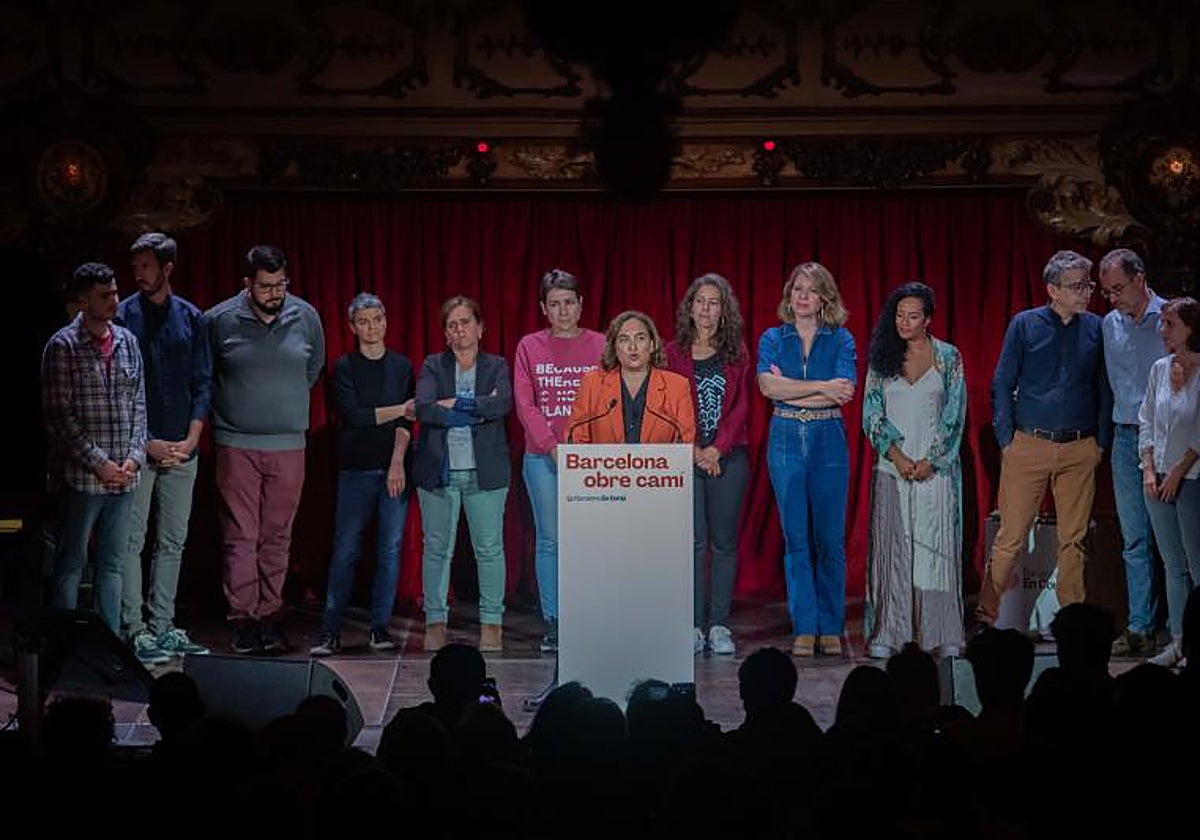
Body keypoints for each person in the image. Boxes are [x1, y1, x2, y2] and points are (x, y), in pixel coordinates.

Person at [979, 250, 1112, 628]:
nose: (1086, 292)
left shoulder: (1096, 328)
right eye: (1076, 286)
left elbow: (1104, 387)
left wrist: (1099, 443)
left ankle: (1074, 623)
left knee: (1074, 540)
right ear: (1052, 290)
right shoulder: (1025, 325)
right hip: (1028, 445)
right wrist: (1007, 439)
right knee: (1011, 536)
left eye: (1088, 285)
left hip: (1080, 447)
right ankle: (988, 615)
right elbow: (1003, 382)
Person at [204, 244, 325, 655]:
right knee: (241, 536)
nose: (276, 292)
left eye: (281, 284)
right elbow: (206, 375)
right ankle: (243, 619)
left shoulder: (305, 317)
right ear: (247, 284)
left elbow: (312, 369)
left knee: (277, 536)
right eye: (266, 285)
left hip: (289, 444)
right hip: (236, 443)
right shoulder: (219, 320)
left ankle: (270, 616)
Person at [116, 232, 211, 665]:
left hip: (182, 448)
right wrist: (145, 443)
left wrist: (191, 439)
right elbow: (120, 391)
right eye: (135, 268)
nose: (139, 275)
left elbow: (202, 382)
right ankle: (135, 629)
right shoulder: (124, 317)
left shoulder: (192, 318)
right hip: (139, 450)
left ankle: (163, 625)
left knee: (173, 540)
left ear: (167, 268)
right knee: (133, 540)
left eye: (146, 267)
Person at [756, 262, 856, 658]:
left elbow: (844, 393)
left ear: (824, 298)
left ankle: (830, 625)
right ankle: (805, 625)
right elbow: (767, 387)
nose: (802, 296)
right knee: (796, 538)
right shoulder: (772, 337)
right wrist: (820, 386)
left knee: (829, 540)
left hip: (828, 438)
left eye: (811, 290)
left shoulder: (841, 339)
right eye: (797, 288)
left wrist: (792, 389)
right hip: (784, 438)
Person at [41, 262, 147, 632]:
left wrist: (134, 459)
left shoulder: (127, 342)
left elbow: (139, 406)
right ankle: (64, 646)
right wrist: (100, 464)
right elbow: (60, 418)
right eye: (105, 296)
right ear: (83, 301)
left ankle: (108, 647)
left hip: (124, 479)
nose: (114, 301)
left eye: (115, 293)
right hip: (85, 480)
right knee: (71, 563)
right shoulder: (62, 346)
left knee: (112, 564)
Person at [862, 282, 966, 659]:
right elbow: (871, 414)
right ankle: (891, 631)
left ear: (928, 319)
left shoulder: (949, 358)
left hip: (935, 470)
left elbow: (954, 416)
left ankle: (940, 632)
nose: (904, 323)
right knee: (894, 549)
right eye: (900, 316)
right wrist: (899, 457)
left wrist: (931, 461)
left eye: (913, 316)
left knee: (934, 550)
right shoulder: (881, 360)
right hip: (893, 468)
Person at [309, 293, 415, 657]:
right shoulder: (343, 368)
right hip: (354, 470)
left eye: (377, 319)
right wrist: (400, 408)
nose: (372, 327)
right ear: (352, 327)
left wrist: (398, 461)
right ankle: (330, 630)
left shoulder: (401, 366)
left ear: (386, 321)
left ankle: (379, 628)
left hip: (394, 470)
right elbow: (355, 415)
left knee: (389, 550)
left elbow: (406, 422)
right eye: (364, 321)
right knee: (346, 550)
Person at [513, 269, 605, 653]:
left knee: (588, 541)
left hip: (590, 458)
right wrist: (552, 445)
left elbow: (609, 400)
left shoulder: (601, 345)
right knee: (551, 540)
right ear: (543, 309)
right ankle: (554, 621)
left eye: (569, 303)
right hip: (542, 458)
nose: (563, 311)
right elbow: (525, 403)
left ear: (581, 304)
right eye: (555, 305)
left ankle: (589, 616)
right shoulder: (529, 346)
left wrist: (584, 447)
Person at [414, 296, 512, 653]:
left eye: (466, 322)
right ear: (446, 333)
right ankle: (435, 621)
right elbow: (424, 409)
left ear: (480, 327)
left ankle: (492, 624)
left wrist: (455, 403)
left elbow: (502, 405)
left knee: (489, 549)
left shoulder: (497, 365)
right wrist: (477, 409)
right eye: (452, 325)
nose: (460, 329)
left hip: (485, 471)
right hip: (440, 471)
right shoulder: (432, 365)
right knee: (437, 549)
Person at [665, 274, 752, 656]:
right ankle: (692, 626)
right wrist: (694, 448)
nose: (705, 309)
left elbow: (742, 407)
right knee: (692, 544)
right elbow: (667, 406)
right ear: (690, 307)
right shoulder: (671, 352)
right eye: (700, 301)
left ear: (723, 310)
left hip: (727, 458)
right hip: (684, 456)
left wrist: (717, 448)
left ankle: (718, 624)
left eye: (714, 302)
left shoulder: (738, 354)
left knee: (723, 543)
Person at [1099, 248, 1167, 656]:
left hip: (1165, 439)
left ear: (1140, 277)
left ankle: (1179, 627)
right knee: (1134, 539)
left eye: (1118, 289)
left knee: (1172, 540)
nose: (1113, 298)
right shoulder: (1110, 324)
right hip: (1126, 437)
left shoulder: (1169, 319)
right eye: (1106, 292)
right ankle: (1140, 625)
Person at [1138, 297, 1200, 668]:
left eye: (1170, 324)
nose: (1163, 331)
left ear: (1191, 328)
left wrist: (1178, 471)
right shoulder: (1160, 369)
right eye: (1162, 323)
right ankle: (1178, 642)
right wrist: (1148, 467)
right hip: (1156, 479)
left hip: (1191, 479)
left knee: (1197, 565)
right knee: (1172, 565)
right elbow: (1146, 419)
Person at [566, 310, 695, 446]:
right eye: (624, 339)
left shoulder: (677, 386)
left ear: (652, 345)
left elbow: (685, 441)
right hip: (603, 467)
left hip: (660, 467)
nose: (632, 347)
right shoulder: (592, 383)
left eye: (640, 338)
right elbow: (576, 438)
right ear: (615, 347)